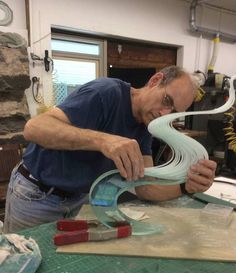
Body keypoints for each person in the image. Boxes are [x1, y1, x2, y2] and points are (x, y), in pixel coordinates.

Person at [3, 65, 216, 233]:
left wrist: (187, 186)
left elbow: (145, 187)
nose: (164, 113)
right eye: (166, 100)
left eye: (173, 112)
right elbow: (34, 128)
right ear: (155, 81)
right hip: (36, 194)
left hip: (79, 199)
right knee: (20, 265)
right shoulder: (106, 92)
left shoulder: (146, 125)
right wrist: (105, 141)